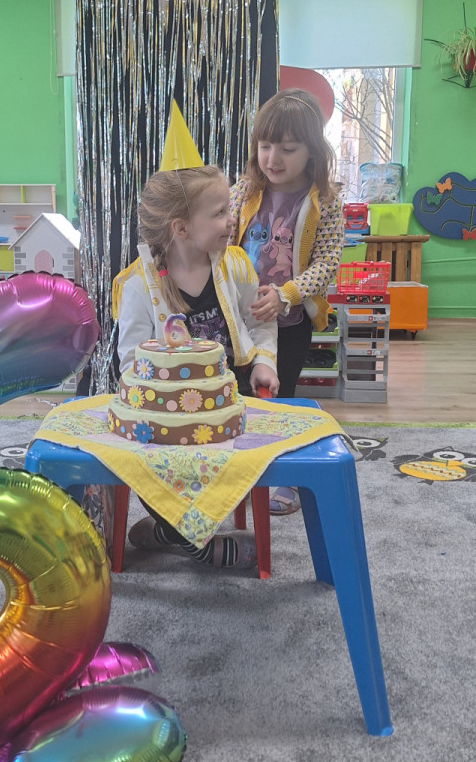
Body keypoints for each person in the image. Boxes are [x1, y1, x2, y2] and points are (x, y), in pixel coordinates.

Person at [114, 164, 279, 568]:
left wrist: (264, 361)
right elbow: (131, 360)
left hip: (226, 406)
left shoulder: (235, 266)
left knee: (235, 463)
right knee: (151, 465)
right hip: (165, 417)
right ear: (181, 228)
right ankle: (195, 545)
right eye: (220, 212)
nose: (232, 219)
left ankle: (166, 534)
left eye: (228, 209)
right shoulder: (139, 285)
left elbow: (260, 323)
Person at [229, 87, 344, 515]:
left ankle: (286, 478)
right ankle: (237, 469)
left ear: (312, 151)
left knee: (281, 400)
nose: (272, 158)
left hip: (290, 324)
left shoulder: (325, 201)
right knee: (234, 395)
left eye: (288, 149)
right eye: (265, 146)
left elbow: (327, 263)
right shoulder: (244, 190)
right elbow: (221, 237)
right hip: (237, 320)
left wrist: (284, 295)